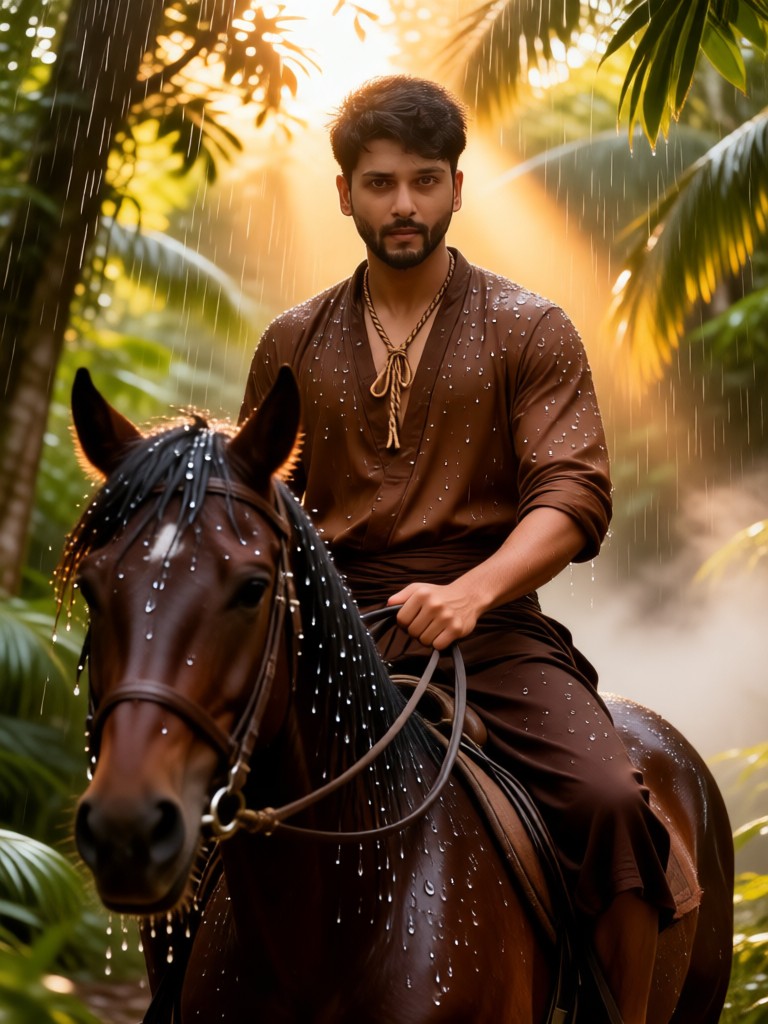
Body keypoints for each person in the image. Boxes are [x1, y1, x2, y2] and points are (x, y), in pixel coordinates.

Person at [240, 75, 674, 1023]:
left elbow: (575, 494)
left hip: (495, 633)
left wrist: (473, 592)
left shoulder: (530, 327)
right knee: (198, 803)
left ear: (457, 188)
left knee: (609, 802)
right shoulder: (291, 342)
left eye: (425, 181)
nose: (404, 204)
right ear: (345, 194)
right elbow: (256, 511)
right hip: (332, 637)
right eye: (381, 183)